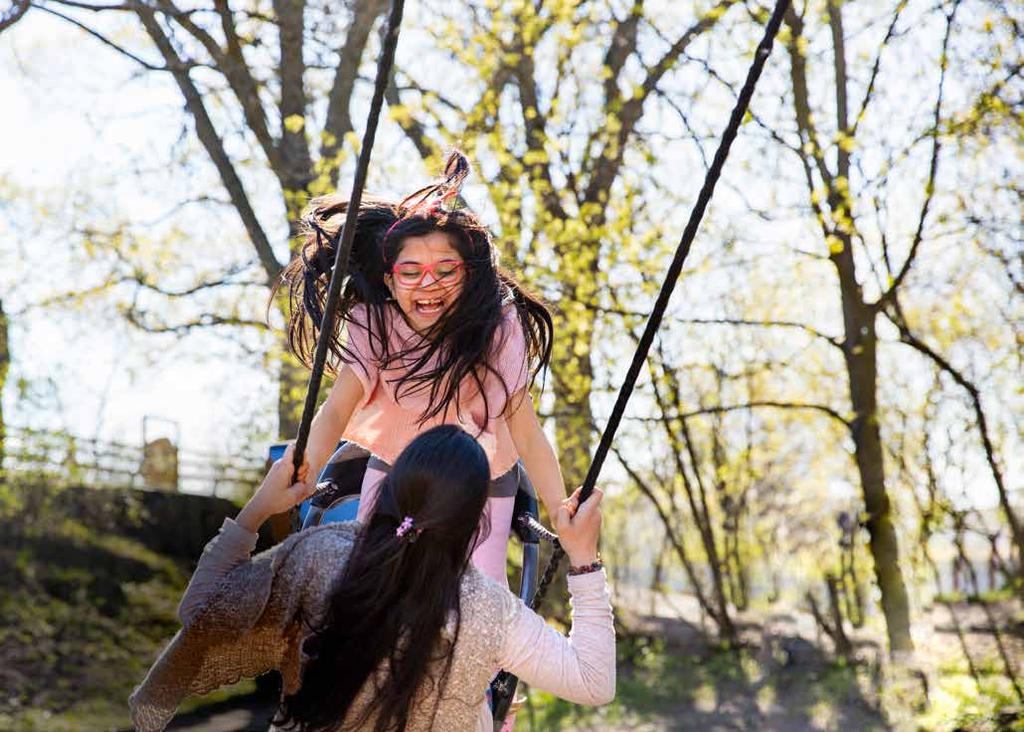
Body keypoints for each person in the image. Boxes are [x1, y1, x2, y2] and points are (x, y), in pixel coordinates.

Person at [129, 426, 615, 731]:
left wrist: (258, 509)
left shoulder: (320, 556)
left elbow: (200, 611)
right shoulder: (487, 609)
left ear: (388, 489)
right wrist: (583, 559)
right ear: (476, 526)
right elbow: (594, 683)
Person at [278, 150, 566, 585]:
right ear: (390, 281)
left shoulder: (497, 328)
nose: (428, 284)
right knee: (373, 579)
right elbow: (336, 410)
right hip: (398, 466)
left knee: (476, 598)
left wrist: (562, 511)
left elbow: (525, 428)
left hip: (481, 478)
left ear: (469, 275)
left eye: (445, 270)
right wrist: (305, 465)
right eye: (411, 272)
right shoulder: (375, 324)